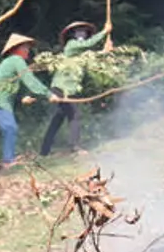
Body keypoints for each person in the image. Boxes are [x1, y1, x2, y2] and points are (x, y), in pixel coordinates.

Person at [0, 33, 55, 174]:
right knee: (10, 128)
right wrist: (48, 94)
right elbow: (29, 80)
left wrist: (21, 99)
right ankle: (8, 161)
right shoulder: (17, 60)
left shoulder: (7, 63)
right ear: (16, 49)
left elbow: (7, 86)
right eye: (26, 48)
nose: (28, 51)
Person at [39, 20, 112, 158]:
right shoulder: (71, 45)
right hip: (62, 88)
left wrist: (105, 51)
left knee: (58, 119)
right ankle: (75, 147)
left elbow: (91, 58)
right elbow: (87, 44)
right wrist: (104, 31)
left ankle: (44, 150)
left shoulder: (81, 54)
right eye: (78, 31)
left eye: (83, 31)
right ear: (73, 34)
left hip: (70, 90)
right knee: (74, 115)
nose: (81, 33)